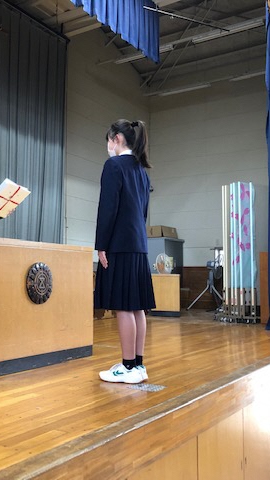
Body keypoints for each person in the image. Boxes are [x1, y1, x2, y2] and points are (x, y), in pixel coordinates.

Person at [95, 119, 156, 384]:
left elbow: (107, 208)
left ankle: (127, 366)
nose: (108, 146)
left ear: (117, 138)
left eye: (109, 140)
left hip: (119, 245)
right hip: (139, 245)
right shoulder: (142, 171)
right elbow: (143, 213)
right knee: (137, 307)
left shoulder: (114, 166)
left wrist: (101, 244)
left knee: (123, 307)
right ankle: (138, 365)